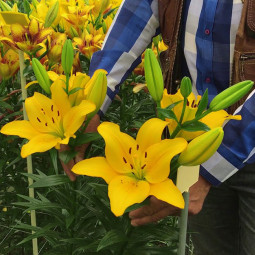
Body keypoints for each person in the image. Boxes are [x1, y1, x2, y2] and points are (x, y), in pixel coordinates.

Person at [65, 0, 255, 254]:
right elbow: (135, 15)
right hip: (196, 147)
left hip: (211, 154)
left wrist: (210, 169)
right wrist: (89, 107)